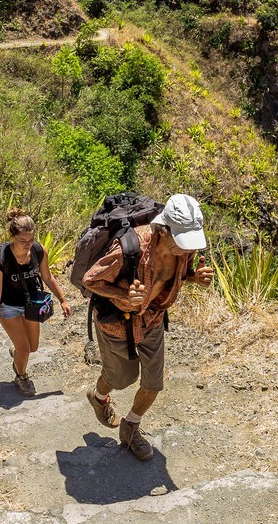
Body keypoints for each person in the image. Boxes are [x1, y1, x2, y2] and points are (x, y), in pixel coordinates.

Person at [82, 193, 213, 461]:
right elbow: (90, 280)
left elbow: (174, 277)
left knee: (153, 383)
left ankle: (131, 427)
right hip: (117, 323)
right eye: (181, 241)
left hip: (152, 319)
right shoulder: (131, 247)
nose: (187, 249)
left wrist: (193, 277)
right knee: (121, 378)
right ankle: (98, 396)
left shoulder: (183, 251)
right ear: (163, 230)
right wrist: (123, 294)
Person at [0, 210, 71, 395]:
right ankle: (22, 377)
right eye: (22, 241)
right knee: (25, 349)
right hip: (8, 307)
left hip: (32, 305)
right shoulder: (1, 260)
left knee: (33, 347)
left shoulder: (39, 250)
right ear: (12, 236)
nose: (27, 245)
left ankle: (18, 352)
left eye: (30, 240)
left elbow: (48, 277)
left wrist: (63, 300)